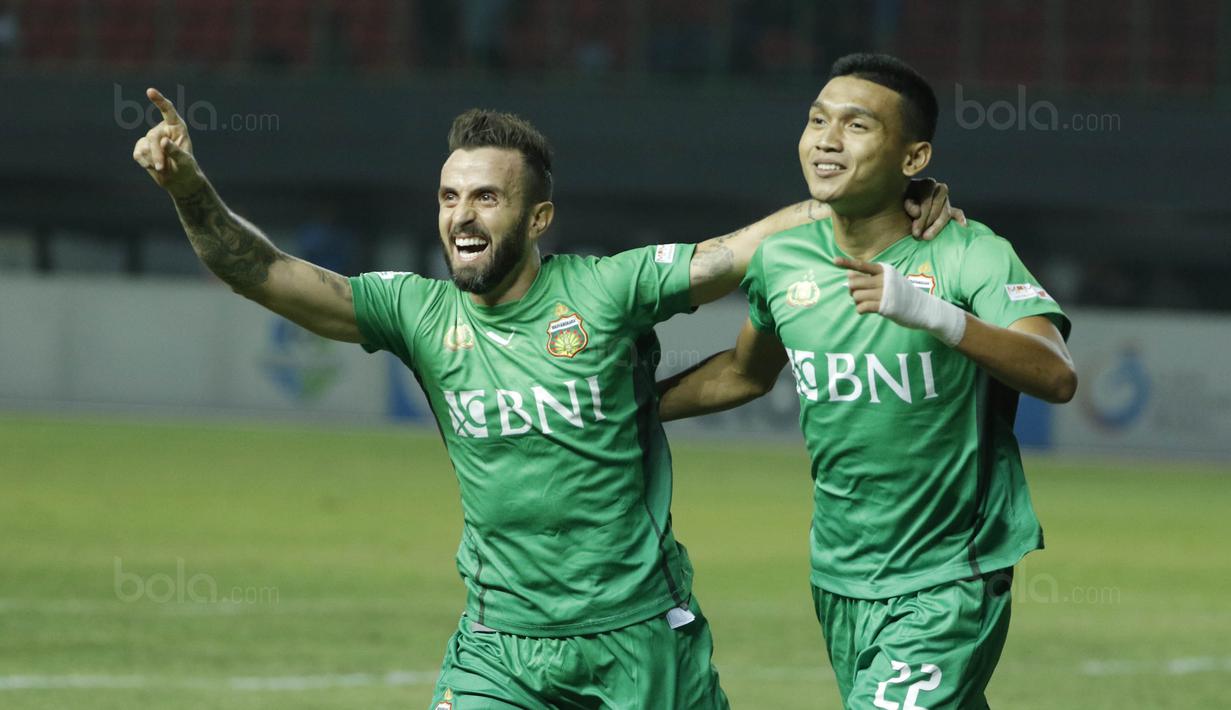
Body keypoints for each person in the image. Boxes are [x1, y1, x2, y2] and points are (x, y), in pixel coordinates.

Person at [130, 87, 959, 708]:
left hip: (640, 639)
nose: (462, 213)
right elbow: (261, 273)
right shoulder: (415, 311)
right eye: (451, 196)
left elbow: (736, 251)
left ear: (537, 217)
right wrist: (188, 190)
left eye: (487, 197)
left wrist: (876, 198)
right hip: (497, 646)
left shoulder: (605, 290)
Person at [658, 53, 1077, 709]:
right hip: (841, 572)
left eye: (855, 126)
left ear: (913, 159)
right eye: (816, 120)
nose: (825, 139)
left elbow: (1054, 375)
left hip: (950, 574)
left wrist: (930, 313)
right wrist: (627, 412)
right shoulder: (782, 257)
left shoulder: (968, 251)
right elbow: (744, 374)